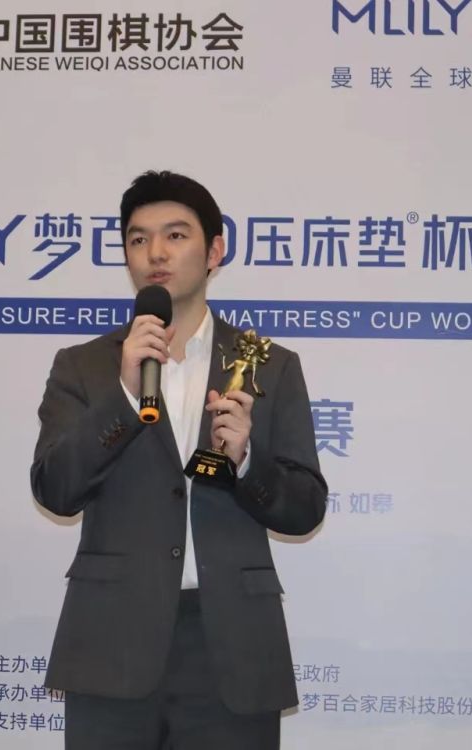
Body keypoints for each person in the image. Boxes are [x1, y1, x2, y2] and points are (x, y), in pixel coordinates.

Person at [30, 170, 328, 749]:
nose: (156, 253)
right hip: (112, 643)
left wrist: (246, 463)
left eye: (175, 235)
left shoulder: (271, 365)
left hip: (231, 649)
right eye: (138, 239)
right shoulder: (84, 366)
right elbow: (54, 490)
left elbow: (305, 508)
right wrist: (122, 396)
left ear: (215, 251)